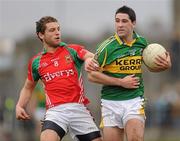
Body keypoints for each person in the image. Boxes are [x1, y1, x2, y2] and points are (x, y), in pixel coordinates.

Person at [87, 6, 171, 141]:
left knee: (135, 138)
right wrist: (120, 82)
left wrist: (166, 65)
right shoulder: (107, 47)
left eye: (124, 21)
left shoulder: (142, 43)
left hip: (134, 100)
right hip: (110, 102)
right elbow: (91, 75)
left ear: (133, 23)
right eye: (117, 21)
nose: (120, 25)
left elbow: (151, 66)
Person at [16, 16, 102, 141]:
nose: (57, 32)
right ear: (41, 35)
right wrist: (19, 106)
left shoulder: (72, 50)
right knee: (46, 138)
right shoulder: (36, 62)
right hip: (55, 112)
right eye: (51, 30)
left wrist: (89, 60)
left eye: (58, 29)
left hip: (78, 108)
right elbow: (28, 87)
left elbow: (89, 56)